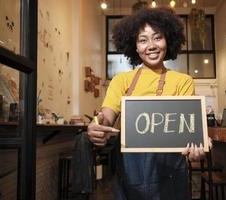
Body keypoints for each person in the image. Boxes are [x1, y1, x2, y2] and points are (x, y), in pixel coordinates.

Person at [88, 7, 205, 200]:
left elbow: (188, 132)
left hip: (171, 176)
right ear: (135, 47)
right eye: (143, 40)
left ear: (168, 40)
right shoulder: (121, 81)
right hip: (130, 175)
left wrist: (196, 148)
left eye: (157, 37)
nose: (151, 45)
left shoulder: (183, 81)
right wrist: (97, 125)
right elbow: (106, 117)